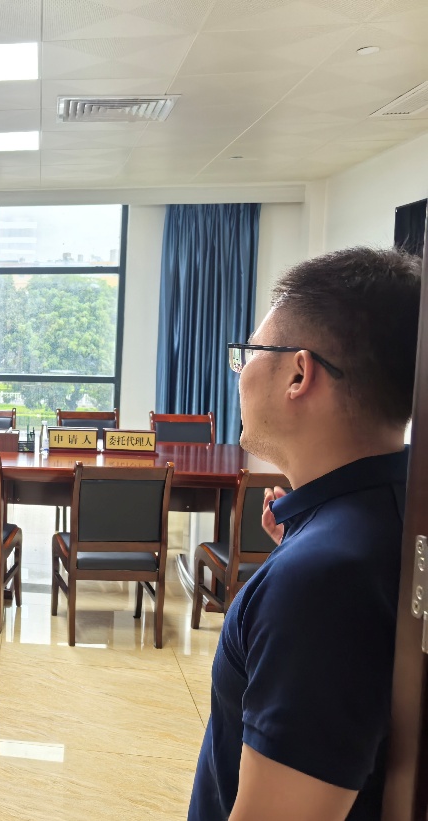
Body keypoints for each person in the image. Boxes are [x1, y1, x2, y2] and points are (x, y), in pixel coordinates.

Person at [188, 246, 421, 821]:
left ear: (299, 373)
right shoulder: (393, 516)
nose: (240, 373)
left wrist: (300, 573)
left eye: (249, 354)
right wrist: (300, 547)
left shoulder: (323, 583)